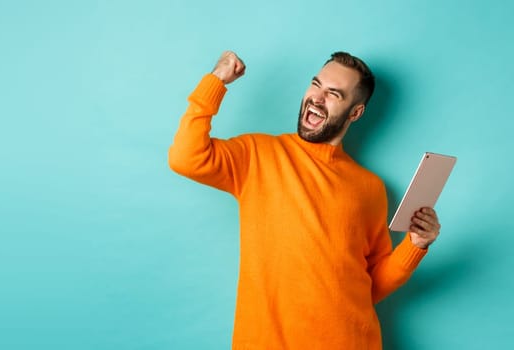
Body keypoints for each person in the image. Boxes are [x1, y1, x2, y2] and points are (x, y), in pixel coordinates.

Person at [168, 51, 441, 349]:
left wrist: (416, 245)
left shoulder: (370, 187)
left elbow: (370, 285)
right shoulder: (259, 154)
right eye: (316, 84)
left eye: (333, 94)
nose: (317, 98)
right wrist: (216, 81)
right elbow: (186, 158)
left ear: (355, 112)